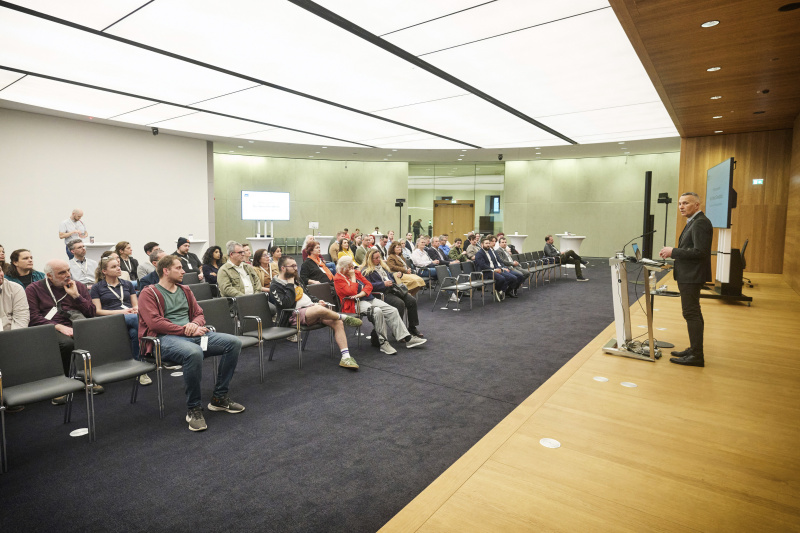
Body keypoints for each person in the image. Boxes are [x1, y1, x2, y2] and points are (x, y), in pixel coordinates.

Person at [139, 255, 244, 431]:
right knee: (194, 352)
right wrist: (186, 329)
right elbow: (155, 323)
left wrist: (194, 324)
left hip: (192, 335)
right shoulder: (149, 293)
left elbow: (199, 313)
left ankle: (219, 398)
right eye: (179, 268)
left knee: (233, 343)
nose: (184, 271)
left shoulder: (185, 289)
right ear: (166, 271)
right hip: (164, 339)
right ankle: (193, 408)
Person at [26, 259, 99, 403]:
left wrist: (76, 296)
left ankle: (85, 376)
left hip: (76, 323)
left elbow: (91, 312)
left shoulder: (77, 285)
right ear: (49, 276)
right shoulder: (34, 289)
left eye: (68, 271)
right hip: (50, 326)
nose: (67, 275)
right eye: (62, 273)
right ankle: (62, 383)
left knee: (92, 336)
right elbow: (33, 317)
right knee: (67, 344)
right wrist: (58, 326)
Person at [270, 255, 362, 369]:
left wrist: (317, 300)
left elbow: (307, 294)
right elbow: (285, 304)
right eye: (292, 266)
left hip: (311, 309)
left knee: (337, 322)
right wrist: (289, 285)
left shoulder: (296, 279)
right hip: (294, 315)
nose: (295, 268)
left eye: (296, 265)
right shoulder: (275, 285)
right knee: (322, 311)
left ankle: (346, 357)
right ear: (283, 268)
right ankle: (344, 317)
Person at [659, 192, 713, 368]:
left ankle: (697, 355)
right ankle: (694, 349)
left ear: (697, 205)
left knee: (691, 313)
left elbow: (700, 253)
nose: (681, 206)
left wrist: (673, 251)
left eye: (686, 203)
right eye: (680, 203)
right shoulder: (694, 222)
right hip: (689, 274)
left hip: (692, 275)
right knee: (693, 313)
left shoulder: (700, 223)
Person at [334, 255, 425, 355]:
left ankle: (407, 338)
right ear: (343, 268)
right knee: (376, 311)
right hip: (354, 303)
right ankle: (383, 343)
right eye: (350, 267)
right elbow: (351, 292)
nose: (353, 268)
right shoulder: (338, 278)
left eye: (352, 266)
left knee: (392, 310)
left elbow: (369, 285)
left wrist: (362, 293)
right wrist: (353, 278)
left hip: (367, 298)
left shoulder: (356, 272)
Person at [90, 257, 146, 383]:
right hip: (110, 319)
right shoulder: (97, 288)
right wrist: (122, 312)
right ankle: (148, 356)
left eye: (118, 265)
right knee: (135, 319)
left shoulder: (127, 284)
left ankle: (138, 366)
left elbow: (135, 304)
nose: (118, 268)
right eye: (114, 267)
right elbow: (97, 311)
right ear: (104, 271)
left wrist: (136, 309)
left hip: (130, 317)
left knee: (134, 333)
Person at [361, 249, 425, 338]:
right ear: (369, 259)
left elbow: (389, 277)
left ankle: (412, 327)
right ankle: (399, 331)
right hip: (381, 293)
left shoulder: (382, 267)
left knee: (412, 301)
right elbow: (368, 286)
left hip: (392, 290)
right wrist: (383, 284)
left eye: (379, 257)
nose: (379, 259)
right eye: (376, 258)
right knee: (400, 303)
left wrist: (396, 275)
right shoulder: (365, 271)